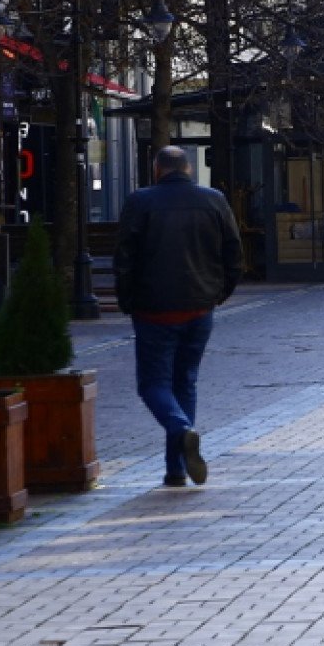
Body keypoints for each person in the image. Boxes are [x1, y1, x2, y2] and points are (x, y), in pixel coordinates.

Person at [115, 146, 244, 488]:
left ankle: (180, 429)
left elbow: (124, 256)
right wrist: (220, 291)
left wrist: (127, 299)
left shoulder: (140, 201)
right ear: (188, 169)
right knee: (185, 381)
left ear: (157, 169)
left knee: (153, 384)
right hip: (199, 307)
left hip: (154, 309)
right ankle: (176, 468)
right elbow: (234, 252)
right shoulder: (214, 200)